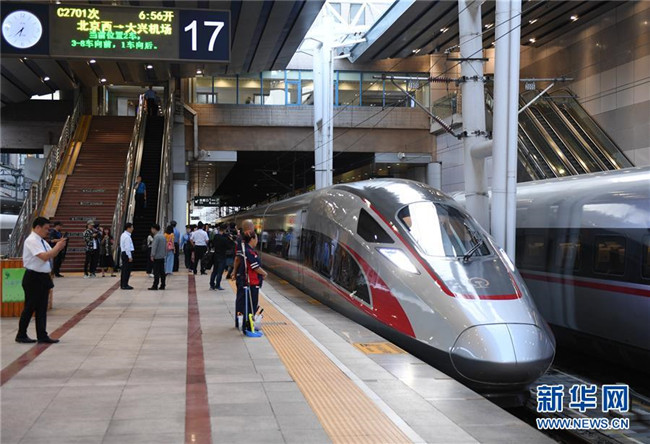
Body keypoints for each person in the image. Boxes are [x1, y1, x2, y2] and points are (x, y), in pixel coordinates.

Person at [16, 217, 67, 344]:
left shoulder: (41, 241)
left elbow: (51, 254)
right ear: (37, 227)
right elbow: (44, 257)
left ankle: (42, 335)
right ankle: (21, 334)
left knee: (42, 308)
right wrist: (57, 247)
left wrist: (58, 248)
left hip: (42, 277)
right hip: (33, 277)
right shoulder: (32, 240)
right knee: (30, 307)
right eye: (46, 229)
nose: (47, 231)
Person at [236, 231, 267, 332]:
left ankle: (243, 324)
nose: (257, 240)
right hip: (252, 282)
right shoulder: (249, 252)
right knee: (251, 305)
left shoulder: (245, 250)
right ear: (252, 239)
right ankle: (249, 326)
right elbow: (255, 267)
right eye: (256, 238)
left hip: (247, 280)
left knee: (246, 303)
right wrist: (264, 273)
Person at [232, 219, 255, 328]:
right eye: (253, 227)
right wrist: (234, 272)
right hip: (244, 274)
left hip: (242, 274)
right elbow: (238, 258)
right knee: (242, 298)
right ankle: (243, 322)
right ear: (249, 229)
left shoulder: (240, 239)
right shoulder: (242, 240)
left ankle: (240, 321)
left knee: (241, 298)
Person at [209, 225, 229, 290]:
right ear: (224, 230)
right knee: (220, 272)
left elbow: (212, 244)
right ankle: (217, 285)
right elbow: (228, 246)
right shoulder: (224, 239)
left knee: (214, 271)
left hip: (216, 255)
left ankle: (212, 285)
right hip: (222, 256)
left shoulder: (216, 236)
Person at [148, 224, 167, 291]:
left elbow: (154, 247)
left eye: (152, 229)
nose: (151, 230)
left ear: (154, 229)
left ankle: (155, 285)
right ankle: (163, 285)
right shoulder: (163, 236)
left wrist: (152, 255)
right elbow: (165, 246)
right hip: (162, 256)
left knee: (156, 272)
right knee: (162, 271)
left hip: (156, 257)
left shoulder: (156, 237)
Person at [120, 223, 135, 290]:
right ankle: (125, 284)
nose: (132, 229)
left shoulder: (123, 235)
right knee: (127, 270)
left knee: (124, 269)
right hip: (127, 254)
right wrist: (130, 256)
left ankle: (123, 284)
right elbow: (127, 248)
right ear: (128, 228)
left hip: (124, 253)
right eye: (132, 227)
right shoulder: (127, 237)